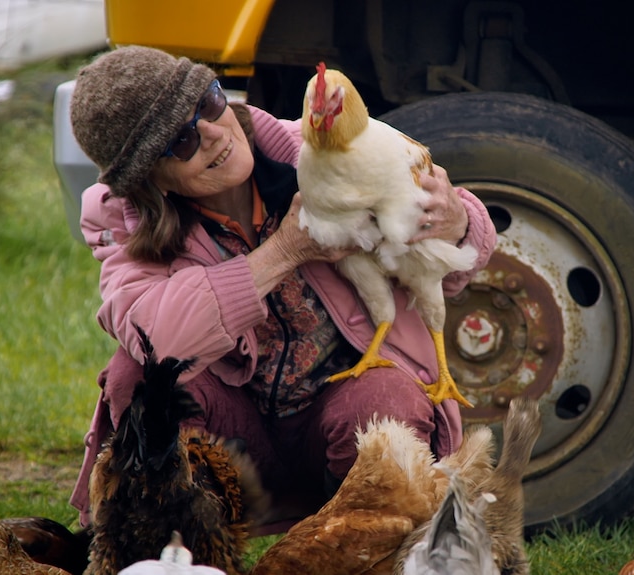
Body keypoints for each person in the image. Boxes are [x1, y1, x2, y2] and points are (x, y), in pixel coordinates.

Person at [67, 46, 497, 531]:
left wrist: (458, 221)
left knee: (387, 397)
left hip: (341, 417)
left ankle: (382, 547)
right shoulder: (120, 221)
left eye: (209, 103)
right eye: (181, 141)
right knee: (138, 378)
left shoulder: (324, 155)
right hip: (236, 445)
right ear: (148, 179)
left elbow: (452, 271)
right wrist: (285, 250)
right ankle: (181, 548)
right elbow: (152, 334)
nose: (212, 133)